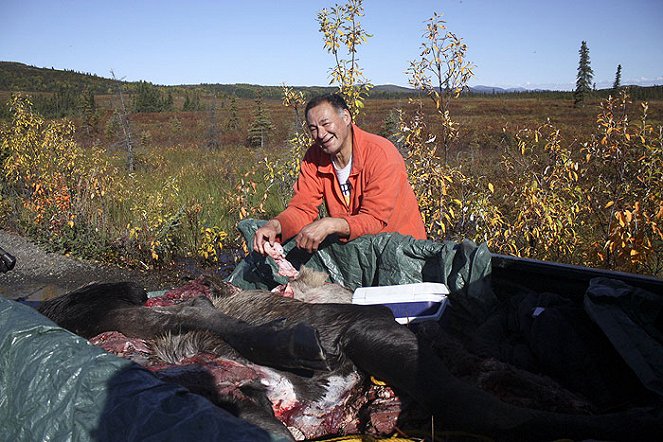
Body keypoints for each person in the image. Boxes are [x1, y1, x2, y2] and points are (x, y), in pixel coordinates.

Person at [253, 93, 426, 255]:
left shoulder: (381, 154)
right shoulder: (314, 157)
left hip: (401, 253)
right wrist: (275, 225)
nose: (320, 134)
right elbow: (302, 208)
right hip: (359, 252)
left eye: (326, 123)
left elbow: (374, 220)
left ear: (346, 117)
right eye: (313, 128)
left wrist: (330, 224)